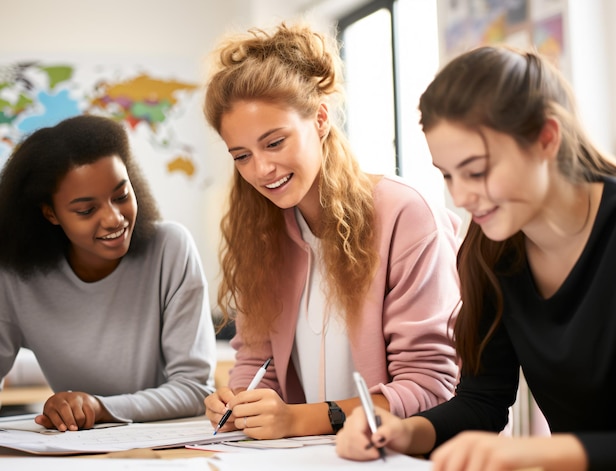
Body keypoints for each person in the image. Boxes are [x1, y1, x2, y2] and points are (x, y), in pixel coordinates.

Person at [336, 45, 616, 471]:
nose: (461, 196)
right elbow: (482, 401)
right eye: (448, 175)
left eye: (476, 171)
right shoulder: (491, 248)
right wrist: (406, 431)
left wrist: (536, 452)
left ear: (546, 138)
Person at [202, 21, 461, 440]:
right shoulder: (260, 232)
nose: (260, 170)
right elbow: (257, 363)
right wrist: (240, 402)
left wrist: (297, 420)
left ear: (320, 119)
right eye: (241, 155)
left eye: (274, 142)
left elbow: (430, 386)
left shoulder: (405, 215)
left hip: (401, 454)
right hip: (310, 455)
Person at [0, 114, 217, 431]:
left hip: (167, 447)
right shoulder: (14, 274)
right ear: (50, 213)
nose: (114, 219)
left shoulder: (170, 248)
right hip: (74, 448)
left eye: (121, 196)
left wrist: (99, 407)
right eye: (87, 210)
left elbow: (195, 389)